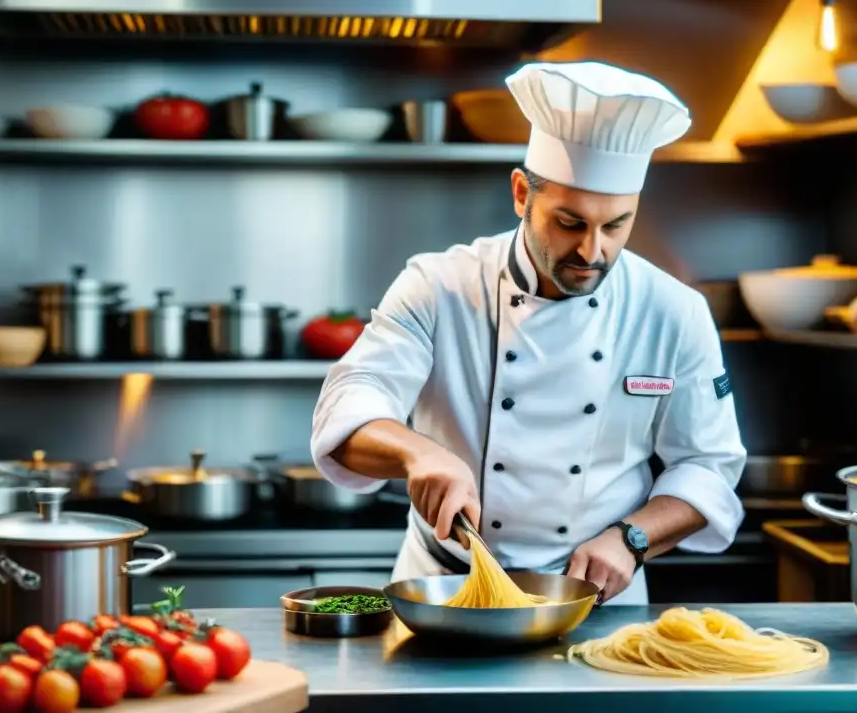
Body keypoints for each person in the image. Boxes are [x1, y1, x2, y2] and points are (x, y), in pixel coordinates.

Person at [310, 60, 747, 606]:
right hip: (446, 589)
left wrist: (631, 540)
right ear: (521, 194)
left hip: (598, 598)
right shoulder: (439, 285)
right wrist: (417, 454)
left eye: (616, 225)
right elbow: (348, 408)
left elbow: (708, 465)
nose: (593, 252)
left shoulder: (673, 311)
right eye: (570, 223)